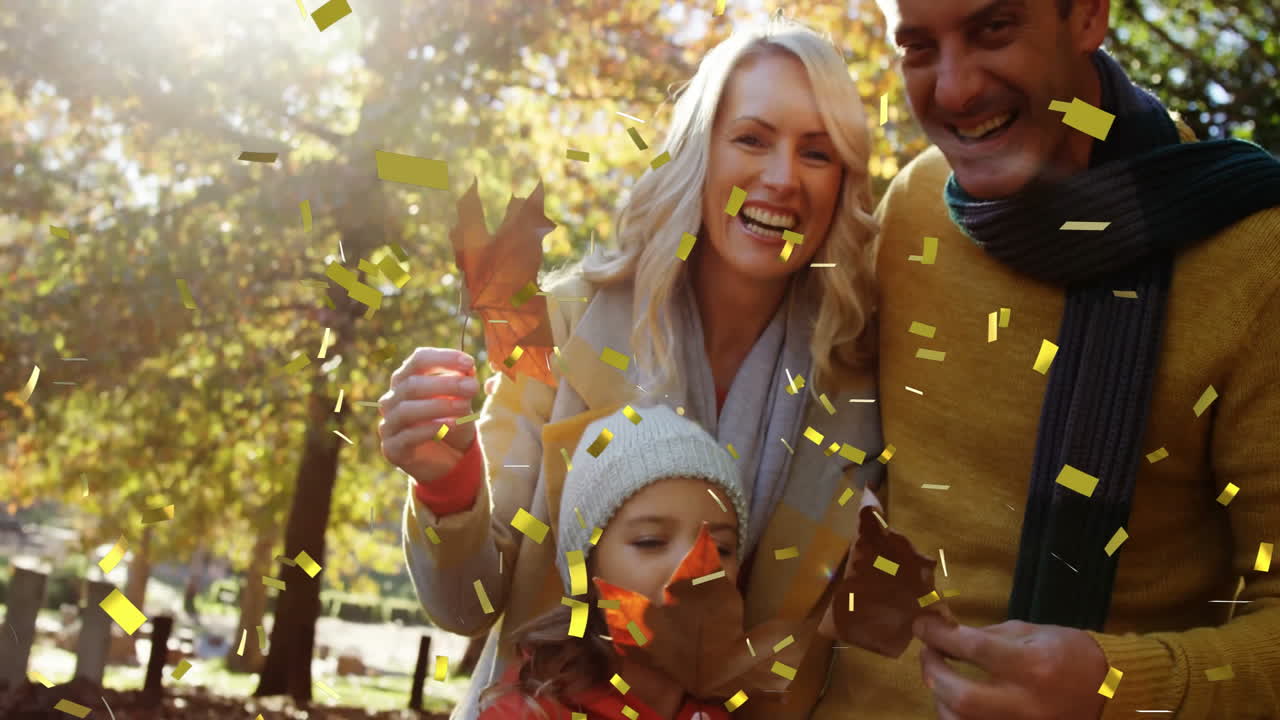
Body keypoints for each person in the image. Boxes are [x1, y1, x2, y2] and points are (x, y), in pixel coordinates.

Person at [380, 16, 885, 720]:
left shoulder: (862, 382)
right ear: (699, 152)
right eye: (751, 139)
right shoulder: (563, 326)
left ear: (844, 180)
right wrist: (445, 487)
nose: (780, 179)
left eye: (818, 153)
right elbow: (466, 605)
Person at [812, 0, 1280, 718]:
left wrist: (1114, 686)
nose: (957, 89)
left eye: (993, 29)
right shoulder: (912, 208)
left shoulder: (1250, 260)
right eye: (919, 47)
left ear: (1088, 17)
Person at [478, 405, 747, 720]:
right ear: (588, 568)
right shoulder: (532, 713)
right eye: (650, 542)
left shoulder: (730, 703)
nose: (691, 569)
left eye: (721, 548)